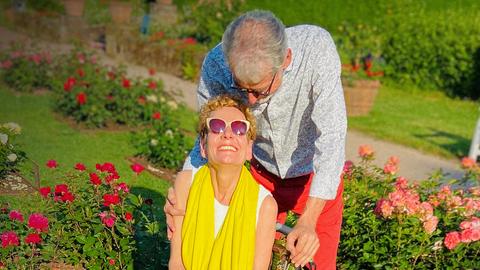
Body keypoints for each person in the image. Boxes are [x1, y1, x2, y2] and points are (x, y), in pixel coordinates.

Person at [166, 10, 347, 269]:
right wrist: (182, 198)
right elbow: (209, 137)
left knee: (318, 264)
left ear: (286, 59)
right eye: (242, 89)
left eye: (259, 89)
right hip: (257, 177)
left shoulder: (316, 50)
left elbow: (332, 137)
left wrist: (308, 220)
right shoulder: (217, 66)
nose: (249, 101)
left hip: (313, 181)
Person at [168, 95, 278, 270]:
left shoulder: (265, 205)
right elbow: (177, 263)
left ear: (249, 149)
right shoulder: (186, 183)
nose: (228, 134)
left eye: (239, 128)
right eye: (217, 126)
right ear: (203, 146)